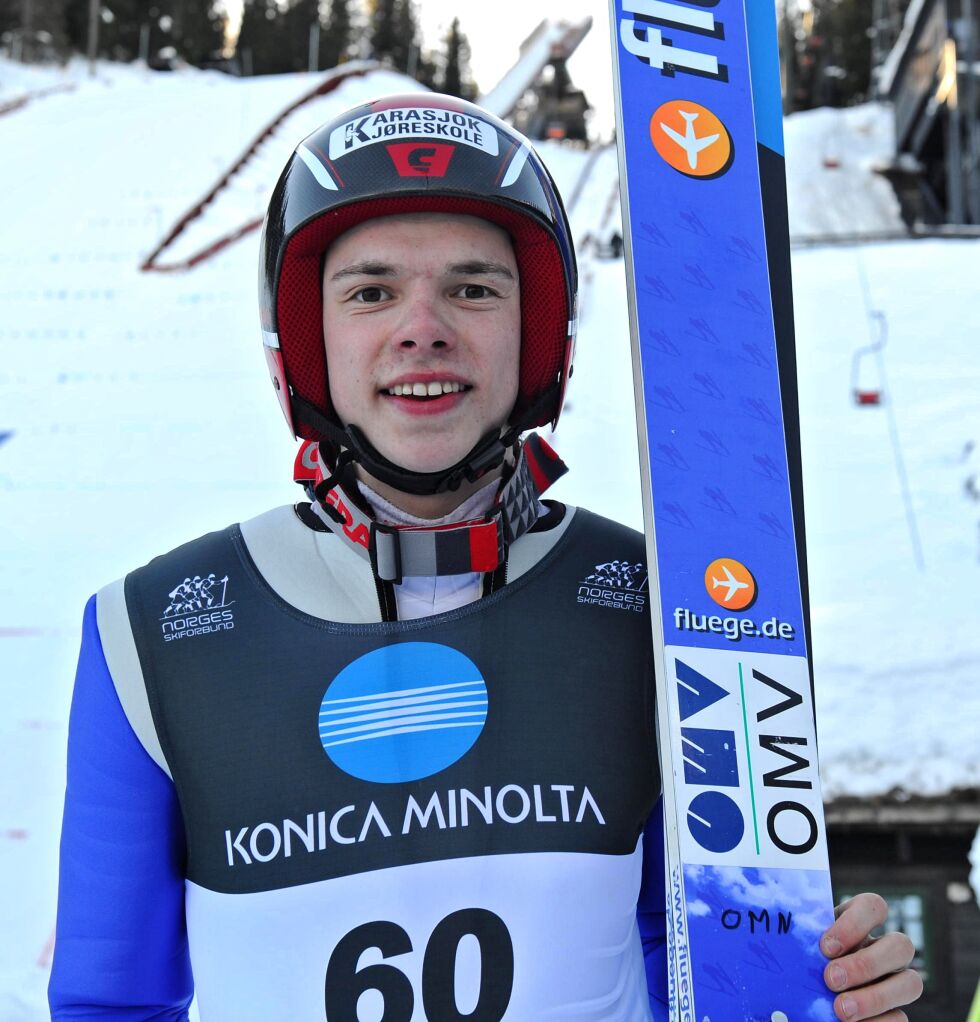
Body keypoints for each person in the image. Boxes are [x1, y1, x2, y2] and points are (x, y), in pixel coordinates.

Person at [49, 93, 922, 1021]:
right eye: (370, 291)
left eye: (473, 288)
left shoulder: (675, 614)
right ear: (307, 345)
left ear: (536, 335)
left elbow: (690, 956)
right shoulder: (150, 634)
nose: (422, 327)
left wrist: (811, 991)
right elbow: (111, 1003)